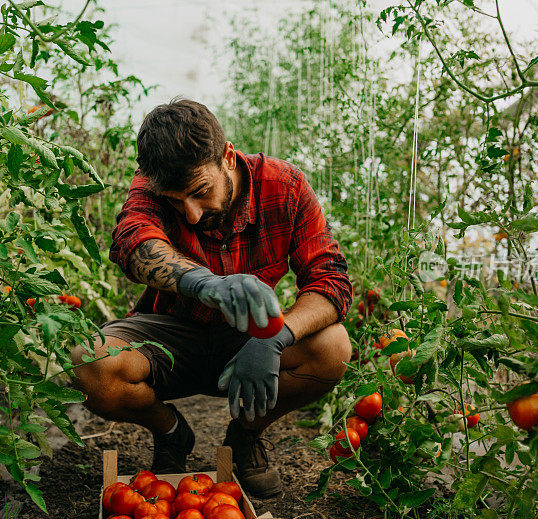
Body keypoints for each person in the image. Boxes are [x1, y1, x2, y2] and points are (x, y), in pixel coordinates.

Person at [71, 98, 352, 498]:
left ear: (228, 157)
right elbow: (132, 242)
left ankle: (245, 434)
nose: (191, 214)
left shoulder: (284, 186)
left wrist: (277, 336)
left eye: (200, 191)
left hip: (245, 338)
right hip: (168, 333)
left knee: (334, 346)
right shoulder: (150, 183)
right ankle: (170, 432)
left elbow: (331, 280)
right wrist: (203, 283)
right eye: (174, 200)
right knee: (90, 361)